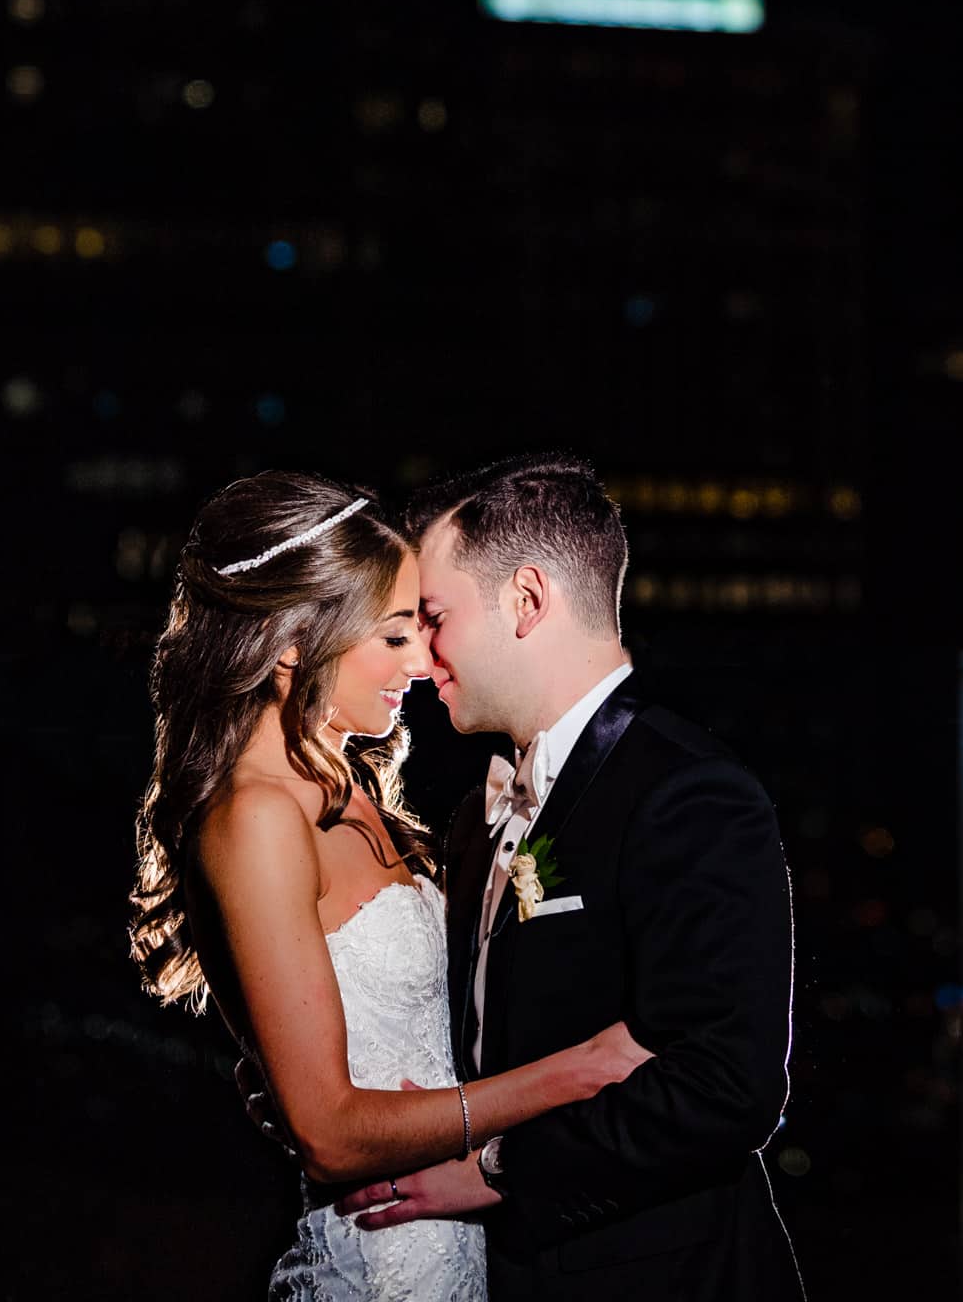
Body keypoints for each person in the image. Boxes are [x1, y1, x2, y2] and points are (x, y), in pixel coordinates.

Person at [130, 470, 652, 1300]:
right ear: (296, 641)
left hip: (467, 1246)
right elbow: (333, 1134)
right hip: (380, 1264)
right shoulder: (257, 816)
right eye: (394, 636)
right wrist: (576, 1071)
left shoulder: (351, 794)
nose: (423, 661)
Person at [336, 454, 806, 1300]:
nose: (417, 655)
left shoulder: (689, 794)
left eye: (432, 616)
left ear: (526, 599)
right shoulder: (473, 815)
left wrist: (497, 1169)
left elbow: (726, 1089)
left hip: (654, 1275)